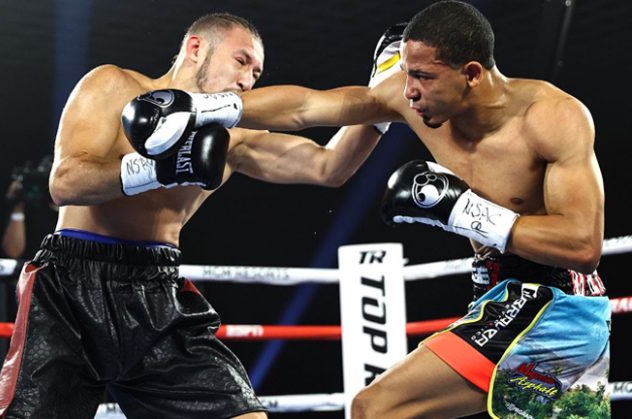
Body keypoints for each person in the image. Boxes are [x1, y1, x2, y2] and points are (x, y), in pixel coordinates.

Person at [203, 2, 611, 418]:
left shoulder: (551, 117)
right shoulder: (415, 101)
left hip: (556, 304)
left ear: (471, 74)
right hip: (498, 294)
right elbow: (307, 107)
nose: (408, 89)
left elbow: (582, 246)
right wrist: (203, 108)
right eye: (406, 73)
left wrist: (462, 211)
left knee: (375, 409)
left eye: (422, 76)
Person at [0, 13, 383, 419]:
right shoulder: (113, 85)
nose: (248, 81)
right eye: (242, 61)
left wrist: (389, 98)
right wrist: (160, 168)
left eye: (257, 72)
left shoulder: (235, 137)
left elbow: (329, 167)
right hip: (71, 283)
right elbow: (66, 183)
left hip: (158, 290)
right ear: (196, 48)